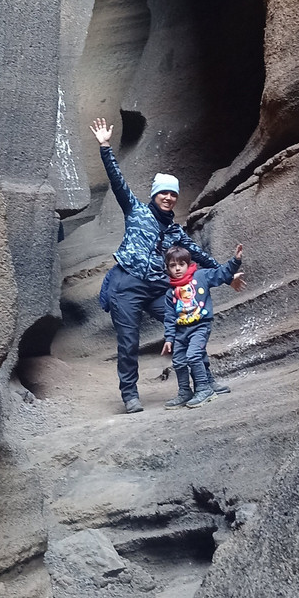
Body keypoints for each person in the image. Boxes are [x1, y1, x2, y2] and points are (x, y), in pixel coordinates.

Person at [89, 117, 244, 413]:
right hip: (127, 284)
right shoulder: (136, 212)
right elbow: (118, 182)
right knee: (128, 342)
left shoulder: (175, 232)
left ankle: (205, 383)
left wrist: (228, 271)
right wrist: (105, 146)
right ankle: (130, 396)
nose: (169, 197)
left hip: (160, 288)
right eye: (164, 193)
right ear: (155, 195)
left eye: (173, 194)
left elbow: (199, 256)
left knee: (191, 319)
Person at [161, 243, 243, 409]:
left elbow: (221, 274)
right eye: (173, 265)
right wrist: (169, 338)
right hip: (181, 330)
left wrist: (235, 261)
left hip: (200, 326)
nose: (177, 269)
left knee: (193, 355)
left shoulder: (201, 276)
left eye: (181, 264)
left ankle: (204, 389)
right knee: (178, 360)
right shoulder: (171, 292)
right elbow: (169, 317)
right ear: (168, 268)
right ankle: (185, 391)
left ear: (188, 264)